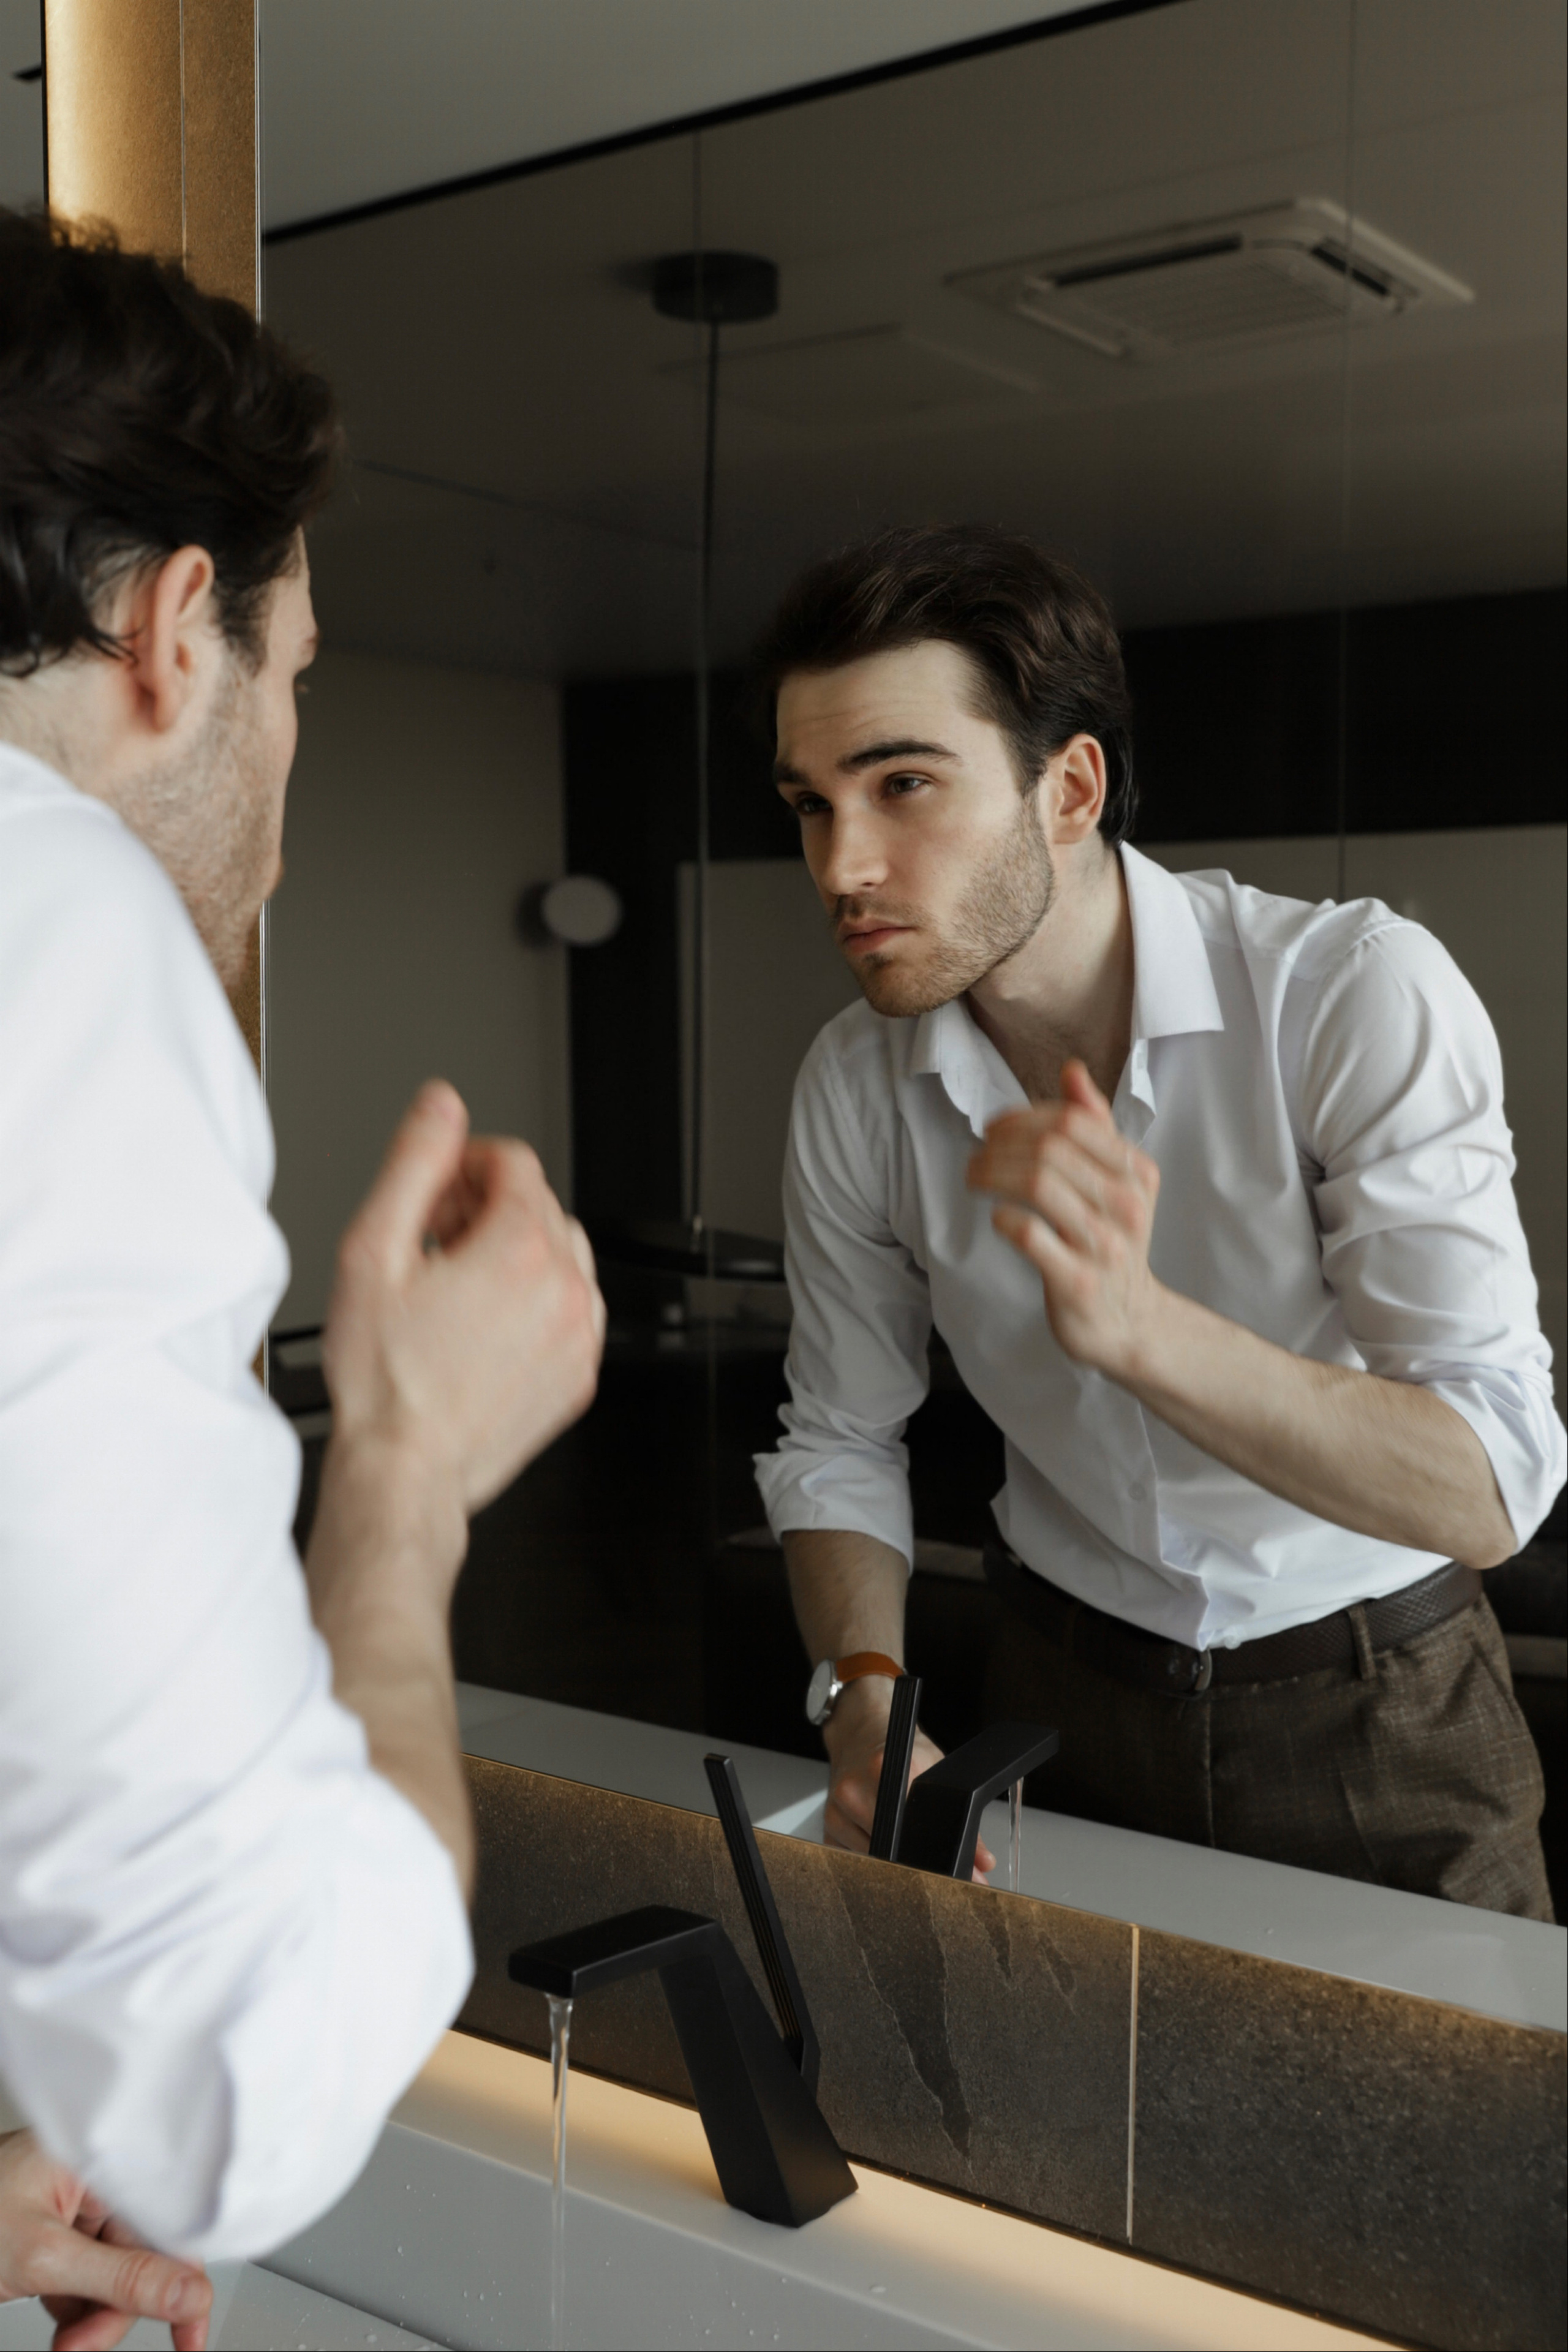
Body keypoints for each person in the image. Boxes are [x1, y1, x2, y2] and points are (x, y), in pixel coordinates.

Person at [0, 208, 605, 2348]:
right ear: (178, 632)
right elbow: (234, 2100)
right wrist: (407, 1478)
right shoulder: (57, 924)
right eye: (302, 679)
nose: (288, 774)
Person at [753, 522, 1564, 1920]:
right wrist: (862, 1694)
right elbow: (837, 1436)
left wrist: (1139, 1331)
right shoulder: (852, 1084)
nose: (843, 865)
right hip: (1057, 1694)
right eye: (811, 804)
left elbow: (1487, 1486)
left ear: (1067, 788)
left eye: (901, 785)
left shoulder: (1347, 995)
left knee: (1464, 2135)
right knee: (1040, 2130)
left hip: (1381, 1705)